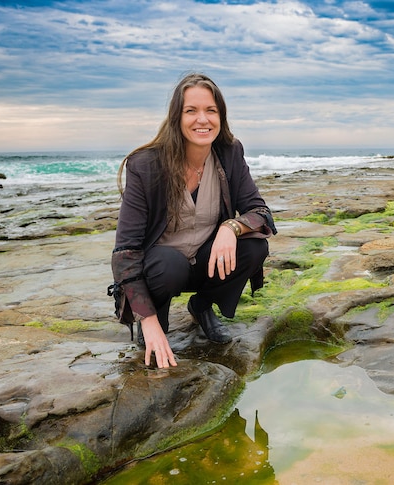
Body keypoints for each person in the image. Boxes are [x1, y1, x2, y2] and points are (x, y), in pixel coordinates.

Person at [110, 73, 276, 368]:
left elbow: (260, 211)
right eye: (191, 111)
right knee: (168, 264)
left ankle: (202, 305)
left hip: (204, 261)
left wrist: (231, 226)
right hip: (160, 270)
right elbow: (125, 252)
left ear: (221, 117)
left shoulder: (229, 153)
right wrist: (146, 321)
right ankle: (156, 315)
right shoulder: (146, 165)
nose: (203, 119)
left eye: (211, 110)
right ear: (177, 117)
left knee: (254, 248)